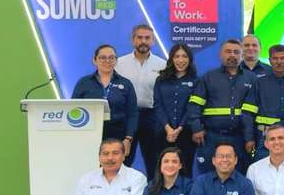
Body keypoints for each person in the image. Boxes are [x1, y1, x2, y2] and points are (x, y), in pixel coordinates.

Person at [186, 39, 257, 176]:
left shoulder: (251, 79)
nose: (232, 55)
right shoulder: (208, 77)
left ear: (242, 55)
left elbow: (250, 112)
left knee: (238, 175)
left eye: (236, 52)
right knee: (208, 175)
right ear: (220, 55)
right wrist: (196, 128)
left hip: (239, 138)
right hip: (211, 137)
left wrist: (249, 138)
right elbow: (194, 104)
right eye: (228, 52)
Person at [73, 44, 139, 156]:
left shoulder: (126, 84)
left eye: (111, 58)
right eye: (103, 57)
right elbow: (73, 109)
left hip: (118, 137)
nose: (107, 61)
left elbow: (132, 114)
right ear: (94, 60)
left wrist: (128, 139)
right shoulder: (84, 83)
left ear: (116, 61)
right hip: (89, 135)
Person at [115, 24, 166, 171]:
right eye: (139, 37)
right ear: (133, 40)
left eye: (147, 38)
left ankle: (154, 186)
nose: (143, 41)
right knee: (123, 159)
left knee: (154, 161)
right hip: (126, 117)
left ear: (153, 41)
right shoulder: (119, 63)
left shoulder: (163, 65)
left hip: (151, 117)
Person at [153, 44, 198, 177]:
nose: (180, 60)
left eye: (184, 56)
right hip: (163, 132)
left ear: (189, 59)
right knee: (162, 169)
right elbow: (158, 105)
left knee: (185, 168)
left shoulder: (196, 81)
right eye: (177, 56)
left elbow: (192, 107)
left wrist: (179, 128)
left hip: (186, 133)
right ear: (171, 59)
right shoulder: (161, 80)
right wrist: (168, 128)